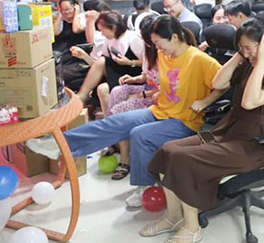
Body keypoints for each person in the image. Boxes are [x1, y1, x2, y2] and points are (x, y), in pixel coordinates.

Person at [26, 16, 225, 207]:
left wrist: (205, 101)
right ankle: (59, 144)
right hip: (160, 111)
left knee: (140, 134)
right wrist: (158, 91)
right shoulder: (165, 55)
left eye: (158, 43)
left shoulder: (199, 59)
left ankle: (144, 186)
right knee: (115, 121)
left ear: (174, 37)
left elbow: (224, 84)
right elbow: (167, 82)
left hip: (185, 121)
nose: (157, 48)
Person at [144, 20, 264, 243]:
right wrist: (241, 55)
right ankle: (173, 216)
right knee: (168, 150)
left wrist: (262, 61)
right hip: (226, 132)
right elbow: (218, 82)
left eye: (249, 48)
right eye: (241, 48)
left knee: (183, 159)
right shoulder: (248, 61)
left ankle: (191, 228)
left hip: (253, 146)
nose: (246, 53)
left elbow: (250, 101)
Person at [104, 14, 161, 180]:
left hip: (157, 95)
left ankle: (125, 159)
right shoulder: (148, 52)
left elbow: (166, 88)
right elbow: (147, 76)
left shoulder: (164, 54)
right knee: (117, 92)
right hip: (147, 88)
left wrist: (140, 95)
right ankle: (116, 141)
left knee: (121, 109)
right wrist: (133, 79)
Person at [74, 11, 144, 107]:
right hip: (118, 74)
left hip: (134, 75)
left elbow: (148, 63)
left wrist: (130, 62)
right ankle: (83, 96)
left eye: (102, 30)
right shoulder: (108, 40)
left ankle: (83, 96)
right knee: (102, 68)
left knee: (102, 81)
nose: (102, 34)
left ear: (113, 28)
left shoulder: (133, 38)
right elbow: (98, 67)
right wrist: (84, 56)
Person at [53, 0, 86, 65]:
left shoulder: (82, 18)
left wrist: (76, 14)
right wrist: (59, 15)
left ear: (75, 7)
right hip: (60, 48)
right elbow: (55, 33)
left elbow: (76, 30)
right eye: (63, 10)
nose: (66, 12)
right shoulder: (62, 19)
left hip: (74, 50)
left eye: (68, 9)